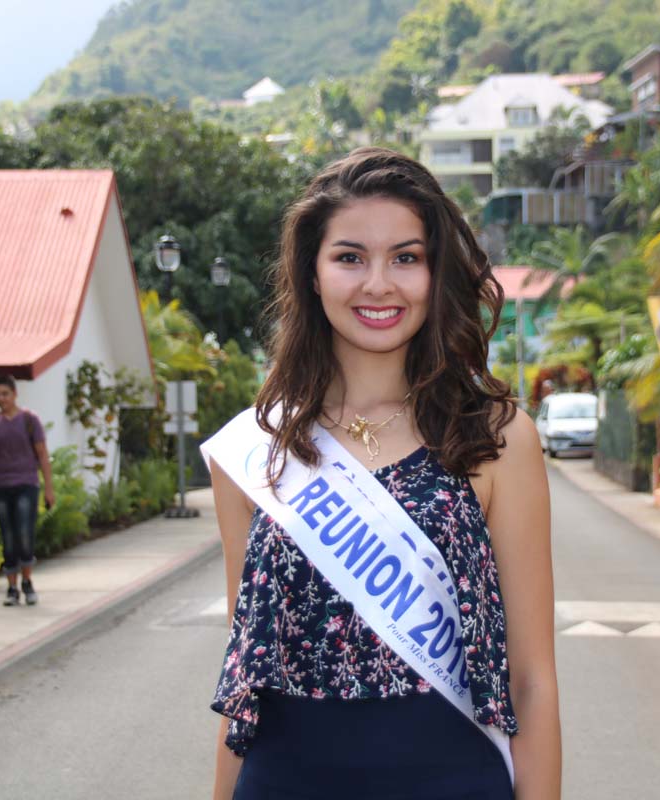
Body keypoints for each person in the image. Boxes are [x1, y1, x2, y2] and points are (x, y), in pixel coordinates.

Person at [203, 148, 560, 800]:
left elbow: (532, 678)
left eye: (405, 257)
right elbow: (245, 668)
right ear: (312, 274)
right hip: (284, 780)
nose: (378, 284)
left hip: (452, 779)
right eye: (349, 257)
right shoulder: (260, 448)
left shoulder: (496, 435)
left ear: (435, 271)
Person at [0, 375, 55, 607]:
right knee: (7, 536)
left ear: (14, 394)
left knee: (24, 533)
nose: (1, 399)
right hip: (1, 486)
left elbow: (42, 455)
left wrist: (49, 487)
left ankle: (27, 582)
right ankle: (11, 587)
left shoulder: (30, 420)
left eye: (5, 394)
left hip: (27, 484)